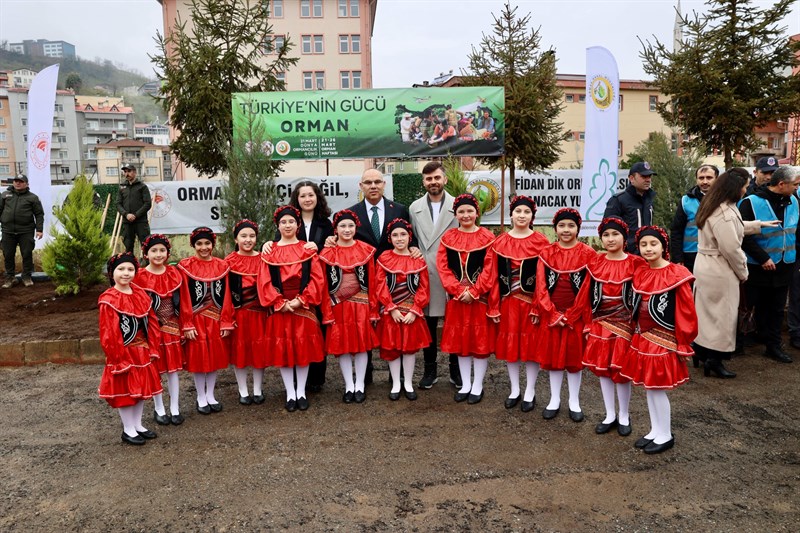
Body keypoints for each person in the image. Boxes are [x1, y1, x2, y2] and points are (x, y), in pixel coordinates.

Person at [331, 168, 414, 385]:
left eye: (377, 181)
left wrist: (413, 250)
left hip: (394, 278)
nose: (373, 186)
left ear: (384, 184)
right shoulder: (351, 213)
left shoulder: (400, 210)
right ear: (361, 186)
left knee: (394, 325)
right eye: (368, 182)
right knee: (363, 326)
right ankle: (364, 376)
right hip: (363, 281)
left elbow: (406, 237)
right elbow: (343, 239)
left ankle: (396, 377)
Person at [693, 168, 778, 378]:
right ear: (735, 188)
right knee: (723, 317)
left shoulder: (713, 205)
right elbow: (731, 247)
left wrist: (758, 225)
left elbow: (732, 229)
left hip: (705, 265)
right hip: (719, 269)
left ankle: (701, 352)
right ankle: (715, 360)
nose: (746, 189)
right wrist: (743, 271)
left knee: (706, 316)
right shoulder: (724, 211)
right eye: (745, 186)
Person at [621, 226, 697, 455]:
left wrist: (683, 342)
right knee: (648, 387)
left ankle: (665, 434)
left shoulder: (676, 273)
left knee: (656, 389)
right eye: (643, 245)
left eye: (653, 244)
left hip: (663, 339)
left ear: (664, 247)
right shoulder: (642, 272)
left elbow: (686, 311)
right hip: (643, 336)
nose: (648, 249)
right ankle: (655, 430)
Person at [258, 206, 327, 412]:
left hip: (302, 305)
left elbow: (317, 278)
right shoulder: (269, 251)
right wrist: (279, 302)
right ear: (277, 226)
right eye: (283, 222)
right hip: (280, 307)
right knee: (285, 351)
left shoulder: (307, 249)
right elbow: (264, 281)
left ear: (298, 225)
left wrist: (301, 300)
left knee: (302, 349)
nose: (287, 225)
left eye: (291, 222)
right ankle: (290, 392)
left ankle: (301, 392)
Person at [579, 217, 643, 436]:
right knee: (603, 371)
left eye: (615, 234)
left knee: (620, 371)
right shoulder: (596, 263)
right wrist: (587, 322)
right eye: (605, 235)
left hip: (625, 326)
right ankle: (609, 414)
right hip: (601, 324)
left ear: (624, 238)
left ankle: (624, 415)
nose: (610, 239)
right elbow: (586, 295)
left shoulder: (636, 263)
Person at [534, 208, 596, 422]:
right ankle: (554, 399)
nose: (566, 230)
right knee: (553, 359)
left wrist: (570, 316)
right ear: (555, 229)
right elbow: (540, 287)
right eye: (562, 226)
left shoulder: (588, 254)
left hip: (575, 318)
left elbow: (587, 289)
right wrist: (551, 314)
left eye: (571, 225)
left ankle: (574, 401)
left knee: (573, 359)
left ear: (578, 228)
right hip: (552, 317)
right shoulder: (547, 253)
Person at [489, 195, 550, 411]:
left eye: (526, 212)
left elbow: (544, 279)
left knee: (531, 347)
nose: (522, 215)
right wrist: (494, 305)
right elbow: (493, 276)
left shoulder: (541, 242)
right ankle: (515, 389)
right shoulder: (500, 242)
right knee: (511, 346)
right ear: (511, 214)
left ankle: (531, 390)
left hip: (532, 304)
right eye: (518, 211)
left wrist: (538, 305)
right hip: (508, 303)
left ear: (532, 216)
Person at [437, 193, 498, 404]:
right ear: (456, 214)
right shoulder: (448, 238)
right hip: (457, 300)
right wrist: (456, 290)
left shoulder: (488, 238)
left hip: (478, 300)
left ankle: (478, 385)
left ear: (477, 212)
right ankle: (465, 384)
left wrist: (474, 291)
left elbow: (490, 269)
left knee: (478, 344)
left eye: (469, 210)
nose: (465, 215)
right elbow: (442, 268)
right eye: (461, 211)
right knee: (462, 344)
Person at [98, 252, 163, 445]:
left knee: (141, 390)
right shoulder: (109, 299)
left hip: (142, 350)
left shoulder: (140, 294)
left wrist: (152, 347)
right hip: (124, 353)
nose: (126, 273)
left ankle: (137, 425)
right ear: (112, 273)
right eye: (121, 269)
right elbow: (109, 332)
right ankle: (127, 429)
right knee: (126, 393)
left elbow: (151, 322)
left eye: (130, 269)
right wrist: (118, 358)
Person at [738, 166, 800, 364]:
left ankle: (773, 346)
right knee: (748, 307)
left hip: (785, 265)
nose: (797, 188)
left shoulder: (794, 201)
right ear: (782, 184)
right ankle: (737, 343)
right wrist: (763, 258)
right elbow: (741, 236)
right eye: (795, 185)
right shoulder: (750, 203)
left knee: (776, 309)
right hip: (757, 266)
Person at [408, 162, 460, 389]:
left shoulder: (458, 206)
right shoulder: (414, 208)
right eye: (428, 179)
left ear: (445, 180)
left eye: (437, 178)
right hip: (426, 275)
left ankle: (455, 370)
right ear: (423, 182)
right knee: (428, 324)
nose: (433, 182)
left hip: (451, 274)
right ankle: (430, 370)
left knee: (454, 323)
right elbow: (413, 239)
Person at [320, 209, 379, 404]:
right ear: (335, 229)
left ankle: (360, 384)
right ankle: (349, 385)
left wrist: (373, 309)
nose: (347, 229)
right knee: (342, 346)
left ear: (356, 227)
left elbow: (373, 281)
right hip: (338, 306)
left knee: (361, 346)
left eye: (350, 226)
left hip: (361, 305)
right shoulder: (327, 253)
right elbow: (323, 285)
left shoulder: (366, 250)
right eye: (342, 226)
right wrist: (326, 311)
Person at [177, 227, 234, 414]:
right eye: (199, 244)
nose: (204, 247)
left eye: (207, 243)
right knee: (199, 359)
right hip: (196, 319)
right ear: (193, 245)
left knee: (214, 358)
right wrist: (187, 323)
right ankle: (200, 396)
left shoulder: (222, 265)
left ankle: (211, 394)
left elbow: (226, 296)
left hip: (216, 319)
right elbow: (184, 297)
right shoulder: (186, 266)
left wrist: (226, 321)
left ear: (213, 244)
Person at [375, 218, 431, 401]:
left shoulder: (418, 260)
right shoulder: (384, 258)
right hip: (392, 312)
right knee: (392, 348)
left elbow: (424, 287)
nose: (399, 238)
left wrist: (415, 309)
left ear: (409, 237)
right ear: (390, 238)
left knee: (409, 348)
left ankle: (407, 382)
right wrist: (391, 308)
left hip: (411, 313)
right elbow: (380, 285)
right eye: (395, 235)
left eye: (403, 234)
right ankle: (396, 384)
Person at [134, 234, 186, 426]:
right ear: (146, 253)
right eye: (153, 250)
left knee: (173, 370)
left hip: (172, 327)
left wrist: (184, 324)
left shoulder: (174, 273)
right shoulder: (139, 277)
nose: (158, 254)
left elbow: (183, 301)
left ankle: (175, 408)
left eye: (162, 250)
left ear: (167, 252)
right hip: (152, 330)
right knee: (156, 370)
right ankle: (159, 408)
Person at [226, 220, 270, 405]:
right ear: (236, 239)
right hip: (240, 313)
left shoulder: (263, 258)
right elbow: (226, 292)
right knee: (240, 351)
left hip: (259, 313)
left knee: (259, 350)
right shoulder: (228, 261)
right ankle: (243, 390)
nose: (248, 239)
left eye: (252, 236)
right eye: (243, 236)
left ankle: (258, 388)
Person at [670, 164, 719, 272]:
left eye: (709, 178)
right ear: (696, 179)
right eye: (701, 178)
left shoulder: (724, 200)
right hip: (691, 256)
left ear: (717, 179)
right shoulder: (686, 201)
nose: (705, 182)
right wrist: (678, 258)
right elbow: (676, 230)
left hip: (716, 254)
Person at [1, 173, 44, 288]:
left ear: (26, 184)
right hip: (7, 231)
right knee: (8, 255)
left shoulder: (32, 197)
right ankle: (10, 278)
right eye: (16, 181)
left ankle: (26, 277)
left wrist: (39, 229)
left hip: (26, 231)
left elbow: (39, 214)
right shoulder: (5, 195)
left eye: (20, 181)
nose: (18, 183)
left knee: (26, 254)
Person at [603, 161, 657, 252]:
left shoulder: (650, 200)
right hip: (627, 256)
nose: (648, 180)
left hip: (647, 253)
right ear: (632, 178)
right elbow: (607, 229)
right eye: (643, 176)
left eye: (649, 176)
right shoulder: (618, 200)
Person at [116, 164, 151, 254]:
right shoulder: (122, 187)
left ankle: (146, 265)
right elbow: (118, 204)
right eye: (125, 171)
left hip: (141, 222)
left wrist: (135, 215)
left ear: (135, 172)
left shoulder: (142, 186)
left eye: (129, 171)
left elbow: (147, 204)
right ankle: (130, 266)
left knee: (146, 245)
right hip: (127, 222)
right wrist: (126, 214)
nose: (127, 174)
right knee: (128, 246)